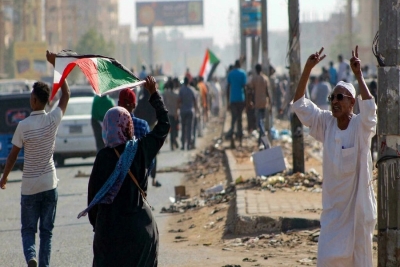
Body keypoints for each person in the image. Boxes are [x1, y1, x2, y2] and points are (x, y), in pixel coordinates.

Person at [291, 46, 376, 266]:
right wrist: (308, 69)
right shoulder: (326, 123)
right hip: (333, 216)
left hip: (358, 213)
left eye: (341, 97)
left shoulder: (360, 127)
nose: (335, 101)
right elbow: (300, 104)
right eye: (332, 97)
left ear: (351, 102)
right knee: (327, 259)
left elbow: (370, 109)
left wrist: (358, 75)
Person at [77, 76, 169, 267]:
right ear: (129, 125)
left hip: (109, 235)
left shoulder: (102, 158)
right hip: (140, 231)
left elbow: (92, 199)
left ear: (106, 127)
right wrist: (154, 95)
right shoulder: (141, 149)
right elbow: (164, 125)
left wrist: (100, 225)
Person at [0, 51, 70, 267]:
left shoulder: (23, 126)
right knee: (47, 233)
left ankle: (31, 257)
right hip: (50, 184)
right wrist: (56, 66)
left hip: (29, 187)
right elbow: (66, 95)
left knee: (29, 230)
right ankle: (44, 265)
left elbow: (12, 157)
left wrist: (3, 178)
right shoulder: (52, 120)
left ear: (33, 99)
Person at [118, 88, 161, 187]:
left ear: (118, 104)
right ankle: (153, 178)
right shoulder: (142, 124)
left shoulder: (113, 125)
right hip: (150, 126)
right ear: (133, 105)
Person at [248, 63, 272, 145]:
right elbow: (267, 91)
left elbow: (251, 91)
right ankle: (260, 140)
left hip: (257, 102)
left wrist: (250, 101)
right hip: (264, 102)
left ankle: (263, 135)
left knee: (259, 122)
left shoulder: (254, 79)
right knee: (262, 120)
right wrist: (270, 102)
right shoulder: (265, 78)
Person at [227, 59, 247, 148]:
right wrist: (246, 100)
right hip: (241, 99)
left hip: (233, 100)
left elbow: (228, 88)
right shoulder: (243, 73)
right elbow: (244, 87)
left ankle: (232, 139)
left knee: (233, 120)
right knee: (240, 120)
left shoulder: (230, 74)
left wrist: (228, 100)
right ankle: (240, 141)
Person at [178, 77, 197, 150]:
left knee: (183, 128)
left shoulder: (181, 90)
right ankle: (189, 145)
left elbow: (179, 100)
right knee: (189, 128)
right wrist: (196, 110)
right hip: (190, 110)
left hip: (183, 111)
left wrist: (178, 109)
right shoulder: (192, 90)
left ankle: (183, 145)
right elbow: (195, 101)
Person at [163, 78, 180, 150]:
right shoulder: (176, 95)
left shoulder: (165, 94)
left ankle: (172, 144)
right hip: (175, 114)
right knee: (175, 130)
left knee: (171, 129)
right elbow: (178, 105)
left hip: (168, 113)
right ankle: (174, 141)